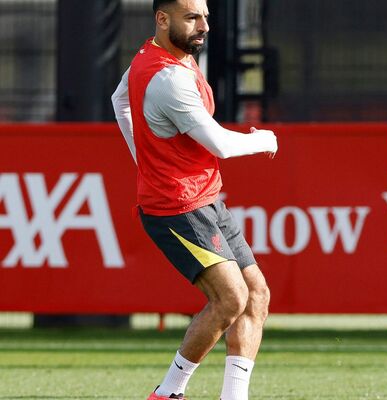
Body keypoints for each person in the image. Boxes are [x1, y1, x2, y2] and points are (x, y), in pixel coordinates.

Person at [110, 1, 278, 399]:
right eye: (192, 18)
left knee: (256, 293)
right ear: (162, 19)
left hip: (205, 197)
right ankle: (168, 392)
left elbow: (120, 101)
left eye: (205, 16)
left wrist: (143, 156)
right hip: (175, 206)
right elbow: (219, 143)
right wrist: (264, 139)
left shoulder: (156, 57)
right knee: (230, 297)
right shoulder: (168, 77)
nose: (203, 25)